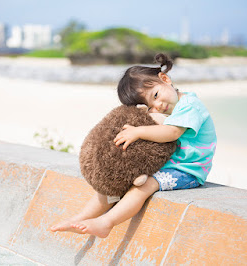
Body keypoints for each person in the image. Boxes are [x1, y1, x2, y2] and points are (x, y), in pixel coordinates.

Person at [50, 53, 217, 238]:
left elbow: (172, 133)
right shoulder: (171, 106)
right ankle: (80, 218)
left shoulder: (190, 106)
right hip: (169, 163)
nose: (158, 105)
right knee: (114, 184)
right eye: (150, 105)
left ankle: (107, 222)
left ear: (165, 79)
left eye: (156, 95)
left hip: (188, 169)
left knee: (144, 187)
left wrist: (138, 131)